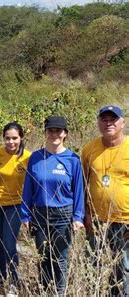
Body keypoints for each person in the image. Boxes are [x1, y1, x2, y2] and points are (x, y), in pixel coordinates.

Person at [21, 115, 85, 295]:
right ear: (45, 133)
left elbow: (79, 190)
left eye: (58, 131)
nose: (54, 134)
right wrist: (25, 215)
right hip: (40, 214)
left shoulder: (72, 159)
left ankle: (59, 292)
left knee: (60, 258)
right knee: (44, 257)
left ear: (65, 133)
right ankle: (45, 291)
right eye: (50, 130)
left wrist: (78, 217)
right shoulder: (36, 157)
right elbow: (28, 188)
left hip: (63, 215)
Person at [82, 105, 128, 296]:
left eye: (113, 119)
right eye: (104, 120)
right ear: (99, 123)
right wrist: (85, 213)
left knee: (123, 267)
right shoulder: (89, 149)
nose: (109, 123)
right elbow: (83, 184)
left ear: (122, 123)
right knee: (93, 264)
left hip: (125, 221)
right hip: (96, 221)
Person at [0, 122, 31, 295]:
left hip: (15, 205)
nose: (11, 142)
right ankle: (0, 275)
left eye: (15, 138)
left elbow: (32, 185)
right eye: (7, 138)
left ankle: (14, 280)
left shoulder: (28, 157)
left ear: (21, 138)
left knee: (9, 243)